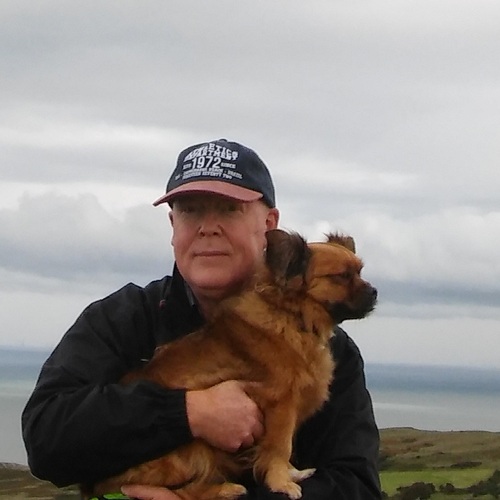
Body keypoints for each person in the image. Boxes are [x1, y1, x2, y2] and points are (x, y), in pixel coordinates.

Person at [22, 139, 382, 500]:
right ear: (173, 225)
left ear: (269, 225)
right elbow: (46, 440)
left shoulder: (332, 351)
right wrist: (189, 412)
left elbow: (357, 487)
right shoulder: (122, 319)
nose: (208, 227)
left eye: (229, 209)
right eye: (190, 211)